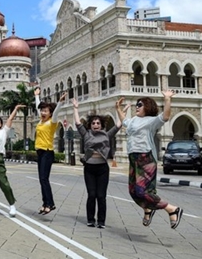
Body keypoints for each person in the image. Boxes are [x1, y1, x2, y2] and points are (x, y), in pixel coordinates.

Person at [116, 92, 183, 229]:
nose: (137, 107)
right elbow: (124, 121)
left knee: (143, 192)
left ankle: (172, 209)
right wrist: (118, 108)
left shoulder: (151, 121)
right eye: (137, 104)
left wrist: (167, 99)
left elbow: (165, 116)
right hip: (133, 157)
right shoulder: (134, 120)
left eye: (140, 105)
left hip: (145, 158)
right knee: (133, 191)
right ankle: (148, 209)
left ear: (147, 107)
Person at [72, 98, 122, 228]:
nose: (95, 125)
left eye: (98, 123)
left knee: (101, 196)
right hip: (89, 168)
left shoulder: (106, 135)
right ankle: (90, 219)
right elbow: (78, 123)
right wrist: (75, 108)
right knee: (91, 194)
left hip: (102, 169)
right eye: (93, 123)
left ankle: (101, 221)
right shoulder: (86, 134)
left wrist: (119, 110)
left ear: (101, 125)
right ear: (90, 125)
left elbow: (118, 125)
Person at [34, 87, 66, 215]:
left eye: (45, 111)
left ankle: (50, 204)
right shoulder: (41, 121)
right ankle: (45, 203)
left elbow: (56, 112)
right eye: (42, 110)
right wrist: (36, 96)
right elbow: (37, 107)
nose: (42, 112)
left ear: (50, 113)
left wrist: (60, 102)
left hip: (47, 152)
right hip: (40, 152)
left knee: (44, 178)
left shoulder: (52, 122)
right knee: (41, 179)